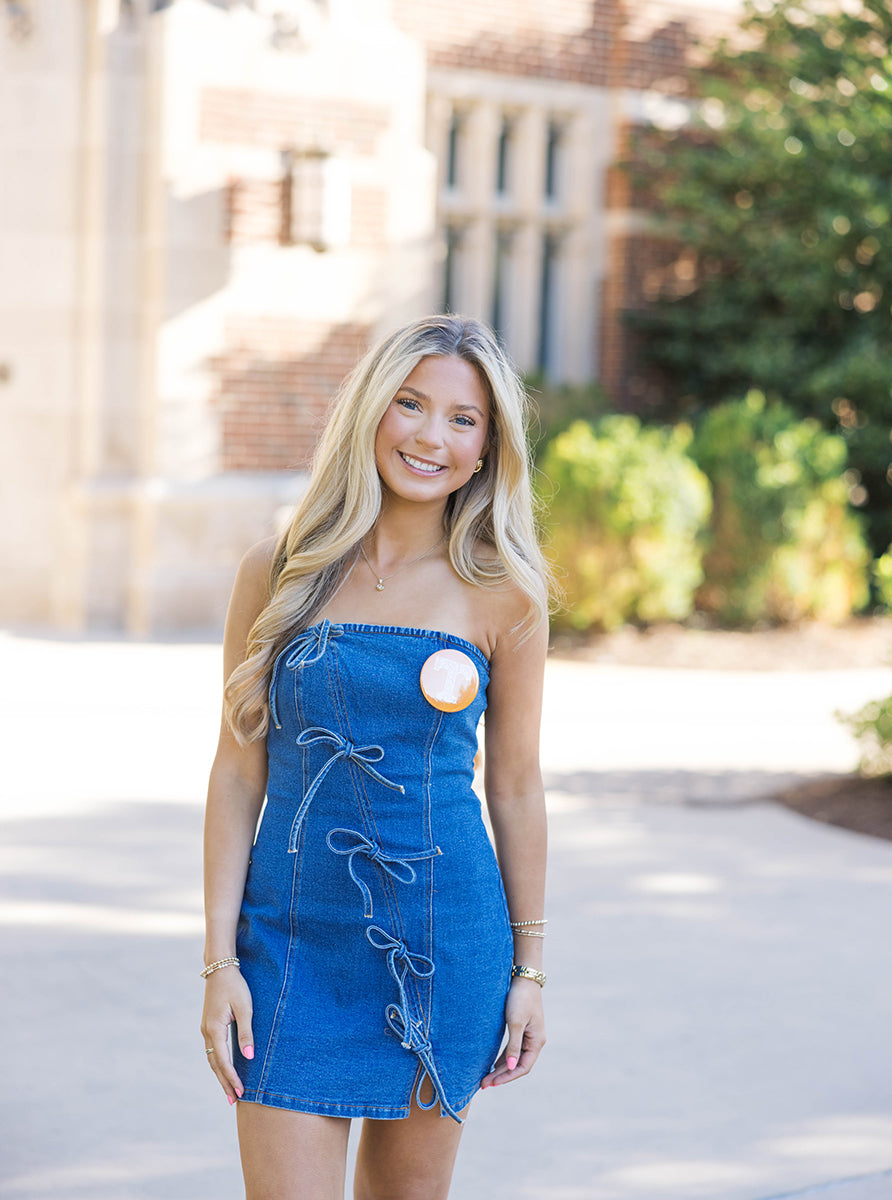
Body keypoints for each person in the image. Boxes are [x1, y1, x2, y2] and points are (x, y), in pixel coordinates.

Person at [201, 314, 550, 1200]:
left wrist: (530, 970)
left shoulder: (504, 591)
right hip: (289, 949)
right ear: (370, 412)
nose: (432, 436)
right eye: (410, 404)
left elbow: (513, 788)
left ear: (485, 450)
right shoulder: (277, 568)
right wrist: (219, 962)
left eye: (462, 420)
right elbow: (239, 771)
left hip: (446, 946)